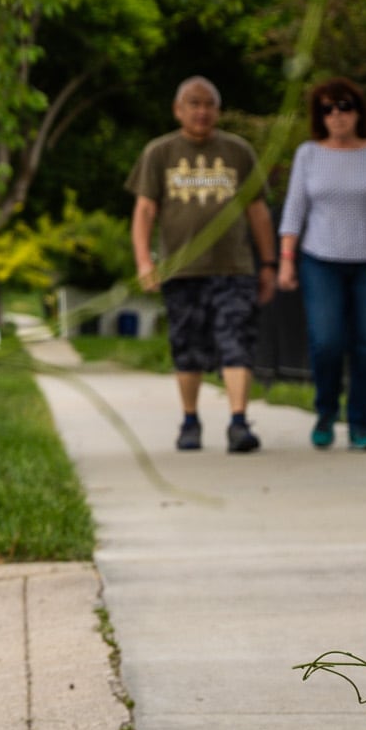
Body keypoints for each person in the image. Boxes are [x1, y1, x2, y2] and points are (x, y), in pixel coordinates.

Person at [127, 76, 279, 452]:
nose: (202, 111)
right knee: (187, 347)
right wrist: (145, 260)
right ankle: (190, 420)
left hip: (234, 269)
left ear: (218, 110)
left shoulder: (238, 151)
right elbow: (145, 210)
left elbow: (258, 212)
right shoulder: (159, 153)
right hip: (182, 271)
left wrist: (268, 264)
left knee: (236, 342)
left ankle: (239, 422)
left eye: (209, 104)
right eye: (193, 104)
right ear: (178, 110)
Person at [276, 77, 366, 450]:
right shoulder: (309, 154)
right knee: (327, 341)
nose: (337, 115)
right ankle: (326, 411)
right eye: (328, 109)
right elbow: (293, 212)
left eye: (344, 107)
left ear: (358, 112)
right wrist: (287, 262)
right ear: (319, 116)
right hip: (319, 260)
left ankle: (360, 422)